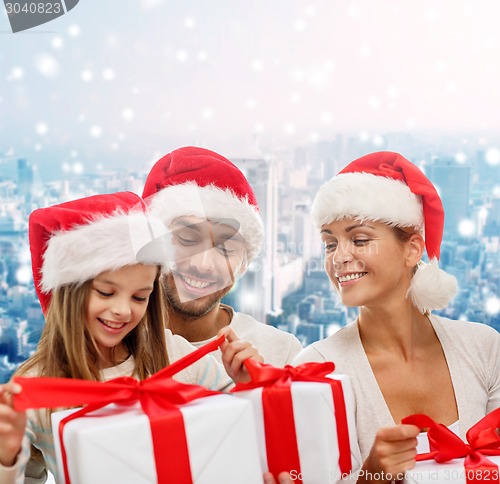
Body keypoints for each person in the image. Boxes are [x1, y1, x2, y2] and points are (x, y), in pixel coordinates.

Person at [0, 192, 260, 483]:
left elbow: (239, 433)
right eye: (105, 293)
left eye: (139, 297)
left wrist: (248, 386)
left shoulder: (175, 355)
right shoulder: (38, 389)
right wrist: (6, 457)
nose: (123, 310)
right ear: (69, 292)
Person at [292, 151, 500, 482]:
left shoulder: (484, 348)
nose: (339, 258)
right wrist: (371, 477)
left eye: (359, 239)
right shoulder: (316, 370)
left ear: (413, 249)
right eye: (330, 244)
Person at [142, 146, 303, 367]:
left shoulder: (281, 354)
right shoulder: (105, 344)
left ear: (244, 263)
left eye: (225, 248)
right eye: (187, 239)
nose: (203, 264)